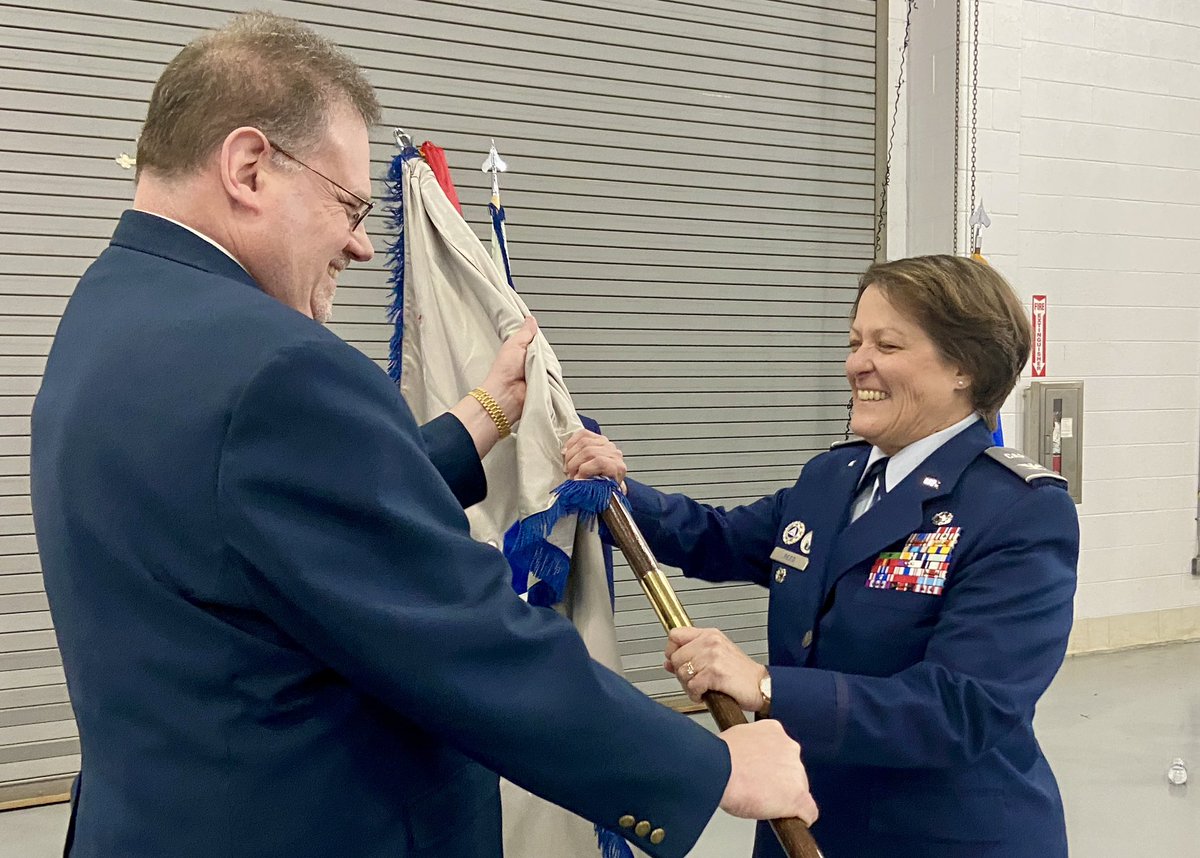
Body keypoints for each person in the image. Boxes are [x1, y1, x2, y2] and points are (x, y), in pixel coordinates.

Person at [29, 12, 817, 858]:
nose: (365, 245)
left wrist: (480, 420)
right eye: (350, 204)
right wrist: (707, 767)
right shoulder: (278, 368)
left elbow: (270, 525)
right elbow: (463, 639)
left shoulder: (109, 311)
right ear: (250, 166)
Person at [565, 255, 1079, 858]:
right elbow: (721, 538)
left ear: (964, 366)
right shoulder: (834, 475)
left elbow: (961, 709)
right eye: (855, 340)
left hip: (938, 835)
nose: (856, 362)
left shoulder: (1017, 511)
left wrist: (764, 686)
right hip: (802, 823)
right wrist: (620, 491)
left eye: (887, 344)